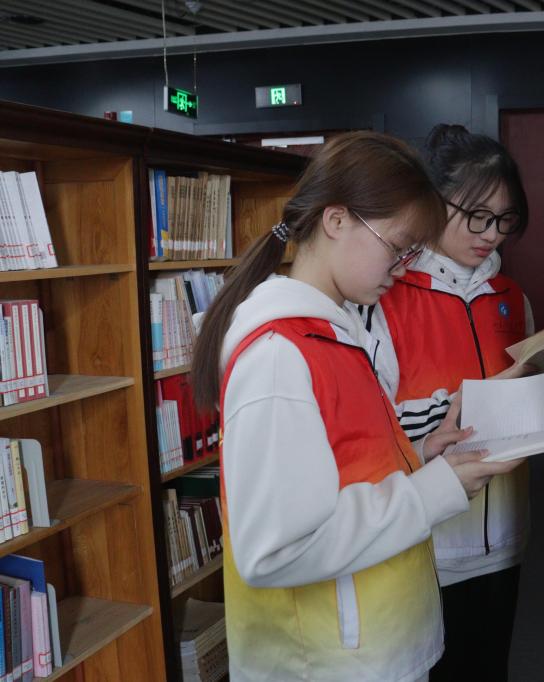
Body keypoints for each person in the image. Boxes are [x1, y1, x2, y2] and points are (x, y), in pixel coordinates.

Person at [191, 131, 521, 682]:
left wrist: (422, 453)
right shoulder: (279, 356)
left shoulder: (336, 333)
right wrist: (435, 489)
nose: (404, 268)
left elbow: (346, 469)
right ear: (337, 220)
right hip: (326, 662)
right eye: (398, 247)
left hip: (372, 647)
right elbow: (275, 549)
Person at [362, 124, 534, 681]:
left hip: (504, 532)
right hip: (430, 539)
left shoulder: (510, 297)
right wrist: (457, 409)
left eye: (505, 220)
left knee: (492, 667)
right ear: (435, 202)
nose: (492, 235)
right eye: (477, 217)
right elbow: (373, 428)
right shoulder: (387, 296)